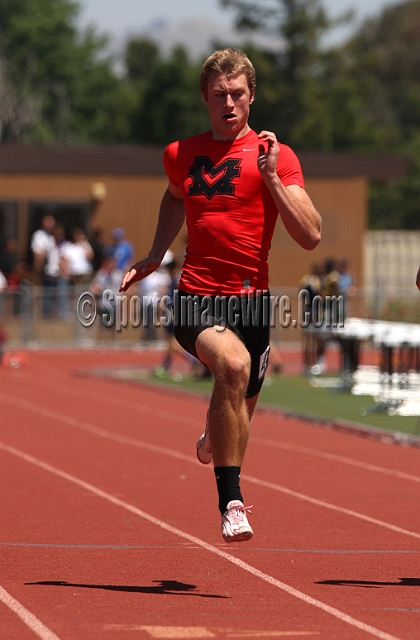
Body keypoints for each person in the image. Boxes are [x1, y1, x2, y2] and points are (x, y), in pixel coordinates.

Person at [120, 48, 321, 542]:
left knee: (239, 404)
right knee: (232, 367)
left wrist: (272, 176)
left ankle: (217, 430)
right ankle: (231, 501)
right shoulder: (180, 154)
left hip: (252, 302)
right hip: (196, 298)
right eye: (218, 96)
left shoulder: (277, 156)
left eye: (236, 94)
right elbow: (173, 196)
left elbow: (310, 234)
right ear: (205, 100)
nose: (228, 104)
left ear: (251, 96)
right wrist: (154, 254)